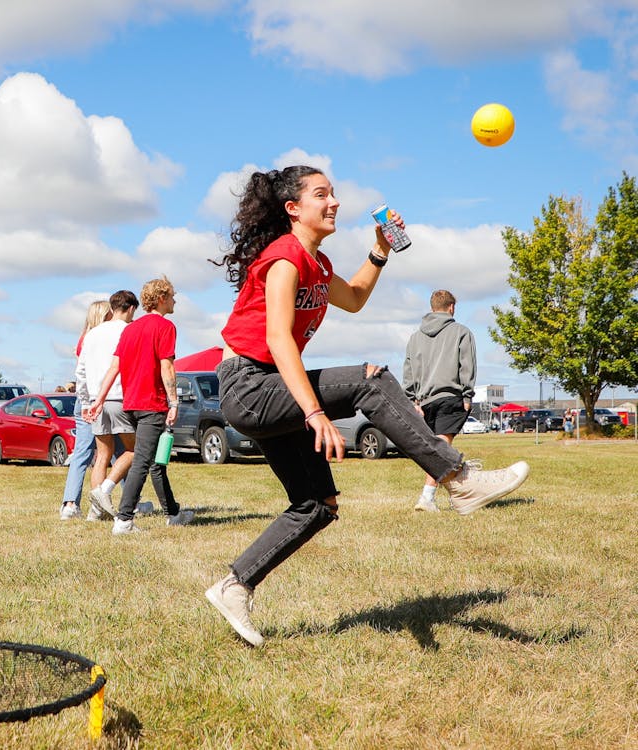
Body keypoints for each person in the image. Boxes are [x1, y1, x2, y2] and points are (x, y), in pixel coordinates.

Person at [204, 165, 530, 647]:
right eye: (322, 195)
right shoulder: (285, 258)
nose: (334, 202)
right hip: (249, 385)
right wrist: (314, 413)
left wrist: (380, 249)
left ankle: (235, 586)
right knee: (368, 379)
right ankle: (457, 479)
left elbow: (353, 299)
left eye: (334, 193)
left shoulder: (317, 263)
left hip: (272, 386)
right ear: (293, 208)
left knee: (317, 505)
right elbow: (277, 339)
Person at [88, 277, 194, 535]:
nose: (174, 300)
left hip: (131, 404)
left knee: (155, 461)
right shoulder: (165, 327)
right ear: (160, 298)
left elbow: (115, 367)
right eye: (171, 296)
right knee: (143, 462)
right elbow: (166, 366)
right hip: (151, 404)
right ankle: (124, 520)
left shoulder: (130, 329)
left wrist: (99, 400)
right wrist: (174, 401)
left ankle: (173, 513)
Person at [403, 290, 477, 512]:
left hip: (424, 401)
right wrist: (467, 395)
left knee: (438, 448)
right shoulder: (462, 332)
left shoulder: (414, 338)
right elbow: (467, 365)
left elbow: (408, 371)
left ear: (432, 307)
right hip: (450, 396)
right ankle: (427, 496)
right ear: (451, 307)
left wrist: (412, 400)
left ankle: (459, 493)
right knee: (441, 449)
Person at [77, 290, 139, 521]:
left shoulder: (91, 334)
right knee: (135, 450)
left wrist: (86, 402)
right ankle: (104, 492)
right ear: (131, 308)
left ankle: (95, 511)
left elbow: (80, 371)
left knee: (103, 453)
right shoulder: (129, 331)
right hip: (121, 396)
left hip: (96, 399)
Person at [59, 299, 112, 520]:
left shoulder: (84, 340)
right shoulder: (102, 339)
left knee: (83, 451)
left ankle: (70, 503)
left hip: (85, 399)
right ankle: (133, 502)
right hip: (99, 397)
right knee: (119, 450)